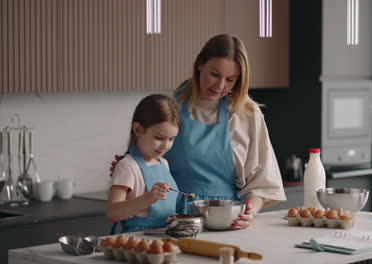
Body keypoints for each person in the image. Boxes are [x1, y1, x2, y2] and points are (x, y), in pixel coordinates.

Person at [111, 34, 286, 230]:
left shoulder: (246, 114)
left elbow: (262, 182)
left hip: (226, 218)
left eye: (230, 79)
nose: (220, 86)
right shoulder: (171, 107)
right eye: (214, 74)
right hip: (173, 218)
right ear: (199, 64)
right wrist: (129, 170)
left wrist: (250, 211)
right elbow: (142, 163)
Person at [107, 94, 180, 234]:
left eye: (171, 139)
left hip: (165, 234)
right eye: (159, 138)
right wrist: (148, 198)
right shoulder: (127, 166)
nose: (166, 145)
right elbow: (112, 213)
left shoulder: (164, 163)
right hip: (137, 238)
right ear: (138, 130)